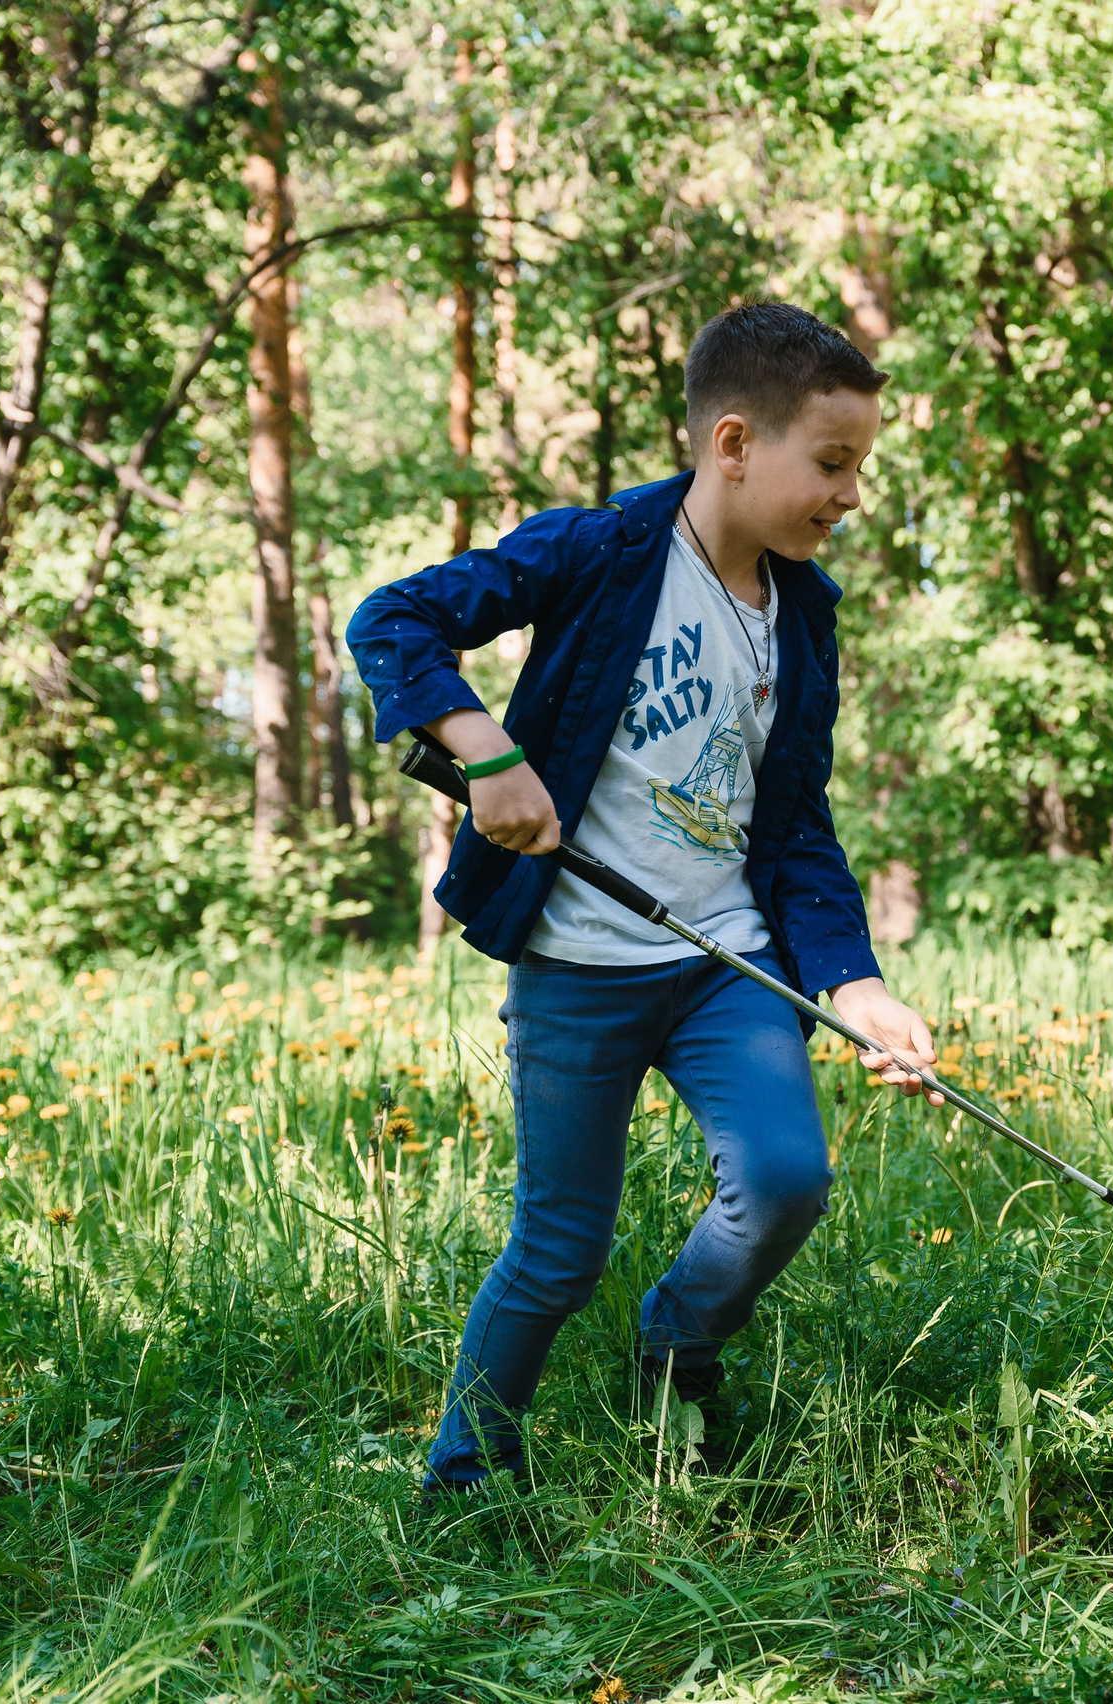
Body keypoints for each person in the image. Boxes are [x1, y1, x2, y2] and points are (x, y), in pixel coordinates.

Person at [346, 302, 939, 1494]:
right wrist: (484, 749)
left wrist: (856, 985)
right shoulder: (600, 552)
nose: (851, 495)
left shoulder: (804, 614)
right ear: (735, 444)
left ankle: (676, 1344)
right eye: (833, 463)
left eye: (858, 468)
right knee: (559, 1249)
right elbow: (392, 618)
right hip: (576, 962)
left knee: (785, 1181)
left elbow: (795, 825)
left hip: (724, 962)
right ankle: (467, 1482)